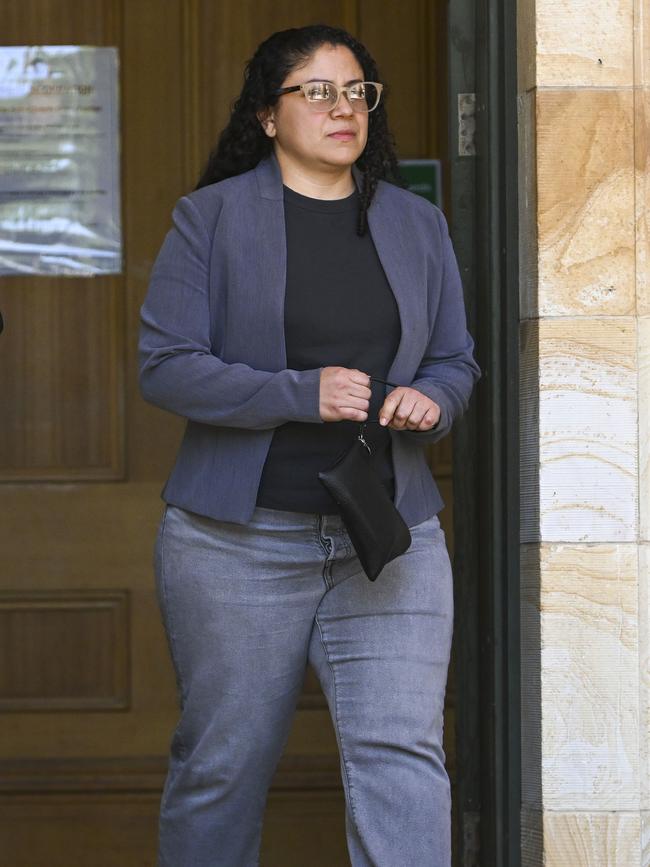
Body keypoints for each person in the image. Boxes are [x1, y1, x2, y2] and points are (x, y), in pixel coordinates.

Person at [139, 23, 480, 867]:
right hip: (237, 541)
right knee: (222, 765)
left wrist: (429, 401)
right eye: (316, 91)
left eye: (357, 92)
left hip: (389, 536)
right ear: (266, 114)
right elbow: (167, 366)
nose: (343, 108)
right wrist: (300, 392)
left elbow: (454, 360)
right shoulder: (208, 219)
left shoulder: (416, 224)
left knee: (403, 756)